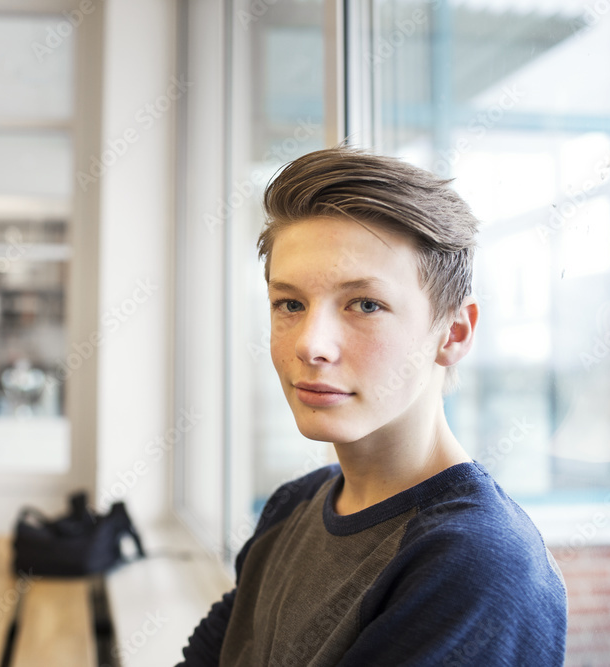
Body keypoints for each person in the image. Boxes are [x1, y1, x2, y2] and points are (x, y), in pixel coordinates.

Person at [179, 146, 568, 666]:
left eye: (365, 305)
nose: (310, 345)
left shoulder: (476, 562)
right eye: (289, 304)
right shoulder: (294, 506)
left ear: (453, 332)